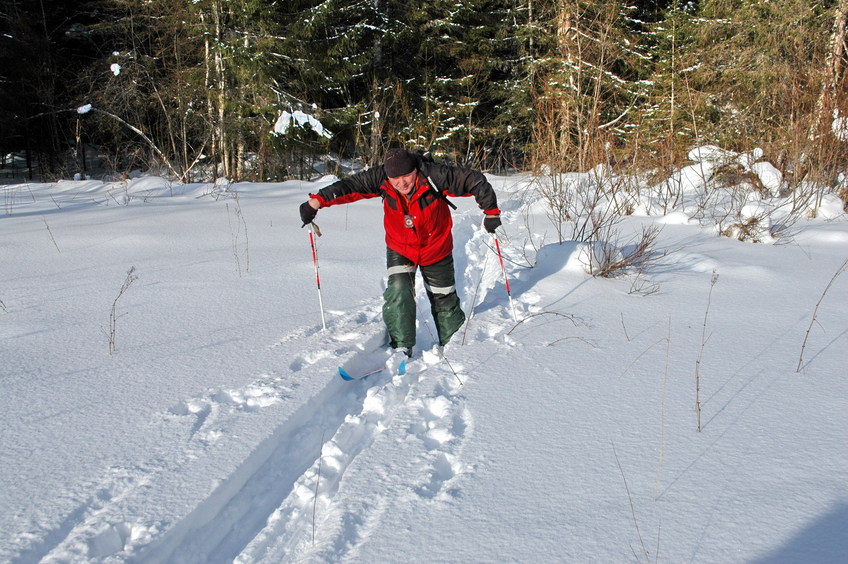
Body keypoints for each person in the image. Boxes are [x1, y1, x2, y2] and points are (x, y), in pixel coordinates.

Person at [299, 148, 501, 356]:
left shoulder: (435, 175)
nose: (402, 183)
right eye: (395, 178)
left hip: (436, 246)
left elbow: (475, 181)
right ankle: (401, 346)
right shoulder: (380, 178)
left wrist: (491, 212)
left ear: (415, 170)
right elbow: (348, 186)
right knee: (399, 290)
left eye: (407, 176)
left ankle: (453, 346)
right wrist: (316, 202)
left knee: (444, 297)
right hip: (401, 247)